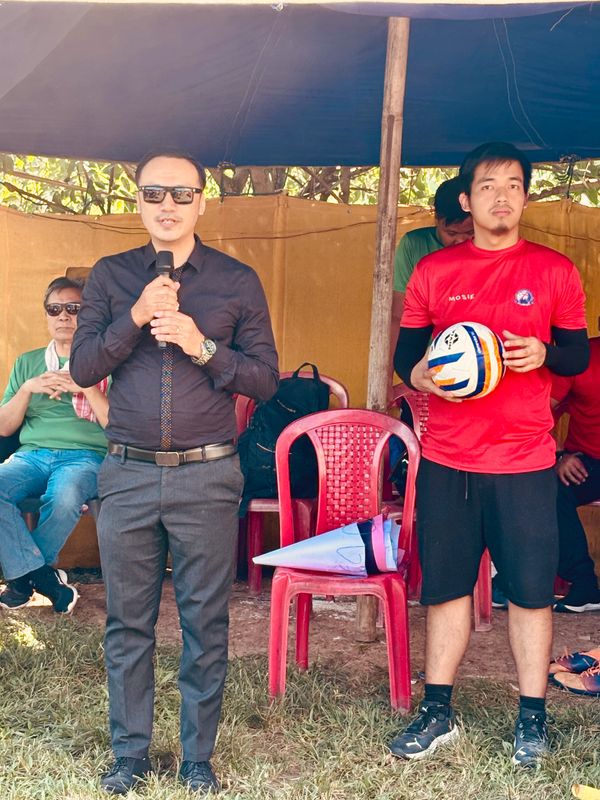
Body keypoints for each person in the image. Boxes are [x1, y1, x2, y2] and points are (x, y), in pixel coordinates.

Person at [70, 151, 278, 795]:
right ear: (137, 199)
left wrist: (201, 344)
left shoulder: (237, 280)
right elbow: (82, 368)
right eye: (155, 192)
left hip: (207, 477)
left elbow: (265, 380)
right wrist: (134, 317)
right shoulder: (111, 276)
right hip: (127, 473)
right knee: (127, 622)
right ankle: (129, 754)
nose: (168, 205)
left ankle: (196, 759)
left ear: (202, 202)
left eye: (182, 194)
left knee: (205, 622)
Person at [391, 142, 589, 768]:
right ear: (466, 199)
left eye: (512, 185)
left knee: (530, 593)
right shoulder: (434, 272)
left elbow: (578, 355)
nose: (500, 196)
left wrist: (545, 354)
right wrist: (422, 376)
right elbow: (406, 356)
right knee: (446, 588)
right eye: (487, 186)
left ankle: (532, 717)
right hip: (448, 459)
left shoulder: (555, 270)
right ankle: (437, 711)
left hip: (525, 461)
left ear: (524, 196)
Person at [0, 276, 108, 614]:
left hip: (85, 456)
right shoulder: (27, 363)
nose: (64, 315)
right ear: (46, 315)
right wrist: (27, 388)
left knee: (64, 497)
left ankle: (23, 579)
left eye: (74, 308)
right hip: (32, 455)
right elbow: (4, 427)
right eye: (55, 309)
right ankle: (45, 579)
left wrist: (86, 387)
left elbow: (117, 424)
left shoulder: (106, 361)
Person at [494, 339, 600, 614]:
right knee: (544, 487)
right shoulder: (581, 358)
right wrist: (558, 456)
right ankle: (579, 585)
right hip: (587, 461)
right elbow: (537, 412)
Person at [391, 176, 474, 336]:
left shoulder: (490, 248)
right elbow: (398, 314)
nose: (461, 241)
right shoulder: (413, 244)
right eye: (451, 233)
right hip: (426, 346)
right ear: (436, 220)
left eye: (471, 232)